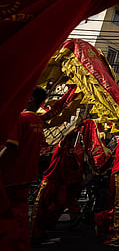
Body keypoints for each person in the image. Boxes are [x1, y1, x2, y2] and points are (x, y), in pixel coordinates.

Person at [0, 86, 47, 251]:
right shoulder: (38, 121)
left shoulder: (20, 119)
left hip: (10, 174)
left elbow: (11, 146)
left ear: (31, 99)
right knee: (19, 215)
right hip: (27, 175)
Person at [31, 129, 84, 245]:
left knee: (58, 206)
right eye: (75, 139)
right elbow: (64, 138)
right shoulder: (61, 148)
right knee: (40, 209)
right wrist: (76, 126)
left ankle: (43, 232)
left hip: (60, 185)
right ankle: (35, 236)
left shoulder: (73, 153)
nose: (77, 141)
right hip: (49, 182)